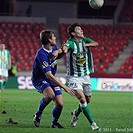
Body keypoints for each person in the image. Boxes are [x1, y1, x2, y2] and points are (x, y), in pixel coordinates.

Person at [31, 30, 75, 128]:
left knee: (60, 103)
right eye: (53, 37)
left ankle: (54, 122)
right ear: (49, 40)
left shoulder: (53, 47)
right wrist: (65, 87)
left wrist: (62, 52)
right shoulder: (41, 54)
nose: (55, 38)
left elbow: (56, 56)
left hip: (51, 79)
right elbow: (49, 75)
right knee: (50, 95)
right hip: (40, 79)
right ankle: (38, 114)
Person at [65, 23, 99, 130]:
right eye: (78, 29)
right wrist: (64, 49)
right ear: (73, 33)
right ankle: (93, 123)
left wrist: (88, 45)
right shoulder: (70, 42)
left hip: (85, 75)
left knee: (87, 100)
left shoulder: (85, 40)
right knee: (82, 99)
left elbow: (96, 43)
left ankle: (76, 113)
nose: (81, 30)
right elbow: (66, 47)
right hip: (74, 77)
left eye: (81, 29)